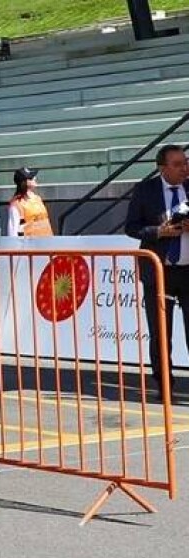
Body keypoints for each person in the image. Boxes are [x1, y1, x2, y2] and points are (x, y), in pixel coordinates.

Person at [124, 144, 189, 401]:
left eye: (185, 162)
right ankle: (164, 385)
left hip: (187, 272)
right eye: (178, 164)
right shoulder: (145, 190)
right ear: (162, 168)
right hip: (158, 271)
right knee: (161, 334)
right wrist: (159, 232)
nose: (184, 168)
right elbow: (131, 227)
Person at [8, 167, 53, 237]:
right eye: (31, 178)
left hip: (47, 243)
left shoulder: (37, 198)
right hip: (30, 245)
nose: (35, 178)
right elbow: (13, 232)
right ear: (24, 182)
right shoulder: (16, 204)